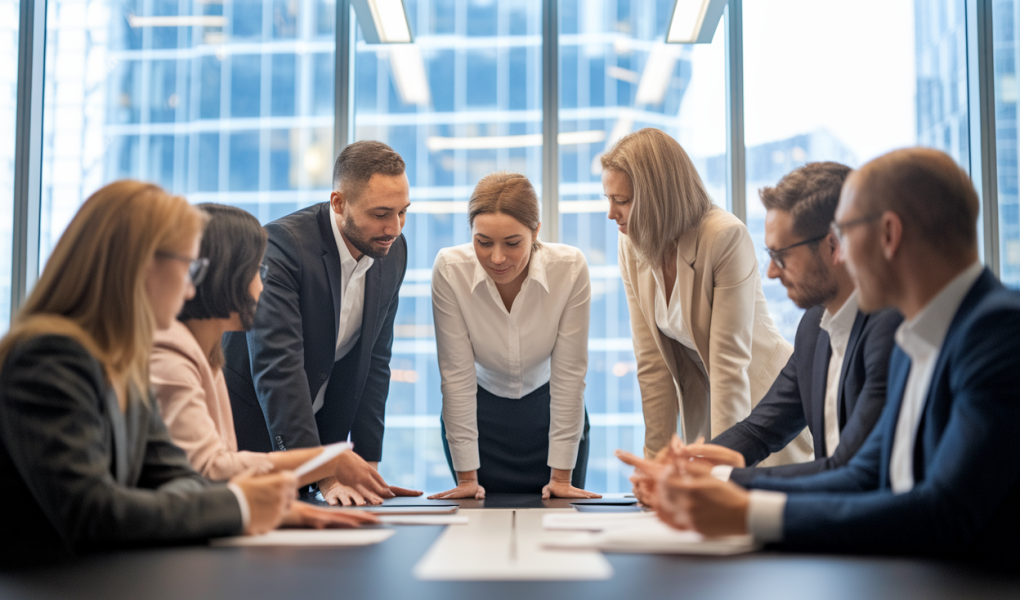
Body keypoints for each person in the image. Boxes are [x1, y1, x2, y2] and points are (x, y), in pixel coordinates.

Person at [637, 147, 1020, 557]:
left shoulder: (997, 331)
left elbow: (945, 511)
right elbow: (865, 474)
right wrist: (719, 481)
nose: (844, 255)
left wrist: (747, 510)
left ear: (889, 234)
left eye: (848, 234)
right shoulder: (919, 336)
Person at [0, 181, 295, 567]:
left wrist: (218, 502)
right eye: (189, 267)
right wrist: (238, 504)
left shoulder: (122, 360)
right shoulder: (48, 357)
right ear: (141, 265)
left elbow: (180, 476)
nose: (191, 290)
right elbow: (92, 511)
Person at [665, 163, 902, 488]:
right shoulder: (814, 328)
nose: (772, 273)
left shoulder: (892, 329)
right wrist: (685, 467)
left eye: (781, 256)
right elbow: (760, 430)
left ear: (834, 246)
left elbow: (852, 468)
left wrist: (719, 478)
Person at [150, 203, 384, 527]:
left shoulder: (207, 353)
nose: (262, 289)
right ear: (220, 276)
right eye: (258, 273)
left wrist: (288, 511)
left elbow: (220, 471)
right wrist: (323, 461)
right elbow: (209, 471)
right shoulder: (169, 356)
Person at [223, 141, 422, 505]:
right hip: (250, 435)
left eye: (402, 212)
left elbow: (375, 363)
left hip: (316, 437)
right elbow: (278, 369)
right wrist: (327, 475)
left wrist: (366, 469)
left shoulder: (393, 253)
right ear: (338, 203)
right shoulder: (283, 248)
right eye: (381, 213)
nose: (394, 228)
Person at [604, 128, 809, 464]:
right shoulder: (631, 243)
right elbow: (652, 365)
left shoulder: (724, 236)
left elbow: (730, 365)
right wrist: (655, 466)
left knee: (745, 506)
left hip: (762, 402)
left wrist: (719, 471)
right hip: (706, 405)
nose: (611, 213)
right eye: (608, 199)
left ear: (658, 196)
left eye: (622, 201)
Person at [427, 172, 600, 499]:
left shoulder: (570, 267)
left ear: (536, 232)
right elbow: (456, 376)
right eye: (483, 242)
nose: (497, 258)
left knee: (558, 531)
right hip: (479, 420)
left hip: (552, 415)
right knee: (477, 537)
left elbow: (569, 375)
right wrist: (466, 478)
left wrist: (562, 476)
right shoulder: (450, 270)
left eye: (512, 243)